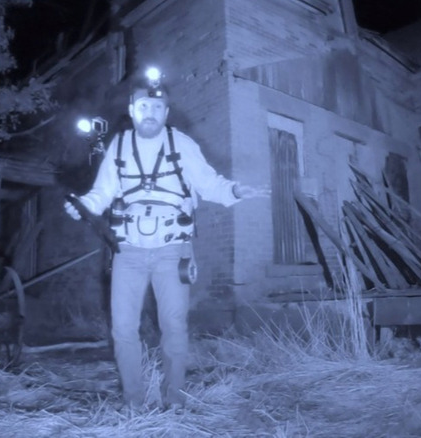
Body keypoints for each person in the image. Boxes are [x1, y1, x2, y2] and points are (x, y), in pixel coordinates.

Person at [64, 71, 269, 412]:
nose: (150, 112)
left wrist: (235, 189)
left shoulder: (182, 144)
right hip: (128, 251)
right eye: (144, 105)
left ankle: (173, 400)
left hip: (172, 249)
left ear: (166, 112)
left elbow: (209, 184)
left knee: (173, 325)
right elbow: (101, 193)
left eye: (158, 107)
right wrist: (82, 205)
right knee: (123, 328)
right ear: (132, 109)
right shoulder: (119, 145)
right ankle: (134, 403)